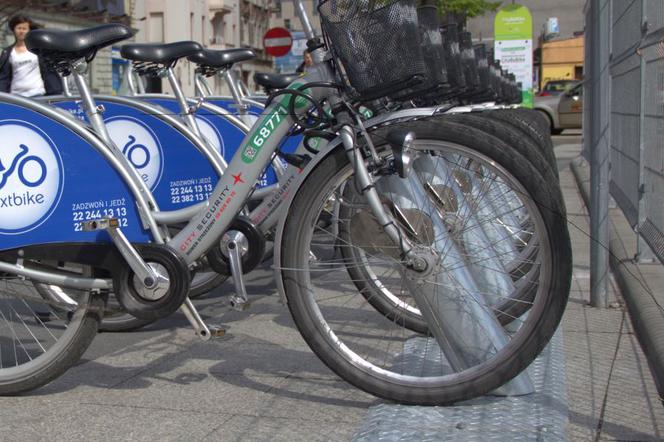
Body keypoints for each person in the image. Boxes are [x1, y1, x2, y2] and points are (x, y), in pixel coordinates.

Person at [0, 15, 63, 97]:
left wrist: (56, 90)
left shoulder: (38, 50)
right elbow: (4, 77)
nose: (21, 31)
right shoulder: (7, 52)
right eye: (19, 28)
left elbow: (49, 71)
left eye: (24, 28)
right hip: (16, 96)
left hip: (37, 93)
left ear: (29, 30)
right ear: (14, 30)